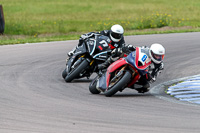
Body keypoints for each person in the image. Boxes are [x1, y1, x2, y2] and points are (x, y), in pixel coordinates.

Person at [98, 43, 165, 93]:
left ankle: (128, 84)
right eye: (156, 55)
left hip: (143, 72)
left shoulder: (160, 65)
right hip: (133, 61)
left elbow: (154, 78)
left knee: (146, 87)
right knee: (119, 51)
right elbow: (136, 49)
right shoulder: (145, 49)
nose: (158, 58)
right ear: (151, 52)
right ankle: (106, 64)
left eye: (160, 56)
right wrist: (129, 48)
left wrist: (150, 77)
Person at [67, 24, 135, 57]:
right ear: (111, 32)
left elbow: (121, 49)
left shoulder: (121, 41)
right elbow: (96, 34)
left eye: (118, 35)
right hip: (98, 47)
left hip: (106, 55)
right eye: (115, 34)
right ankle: (74, 51)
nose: (116, 36)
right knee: (83, 38)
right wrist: (89, 35)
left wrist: (119, 51)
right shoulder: (106, 32)